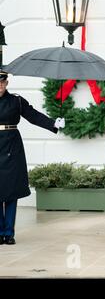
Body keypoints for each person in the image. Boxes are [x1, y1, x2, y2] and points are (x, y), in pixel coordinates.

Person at [0, 70, 65, 245]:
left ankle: (9, 232)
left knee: (11, 192)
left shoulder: (16, 101)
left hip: (12, 147)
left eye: (2, 82)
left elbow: (33, 116)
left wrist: (53, 123)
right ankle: (0, 231)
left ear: (6, 83)